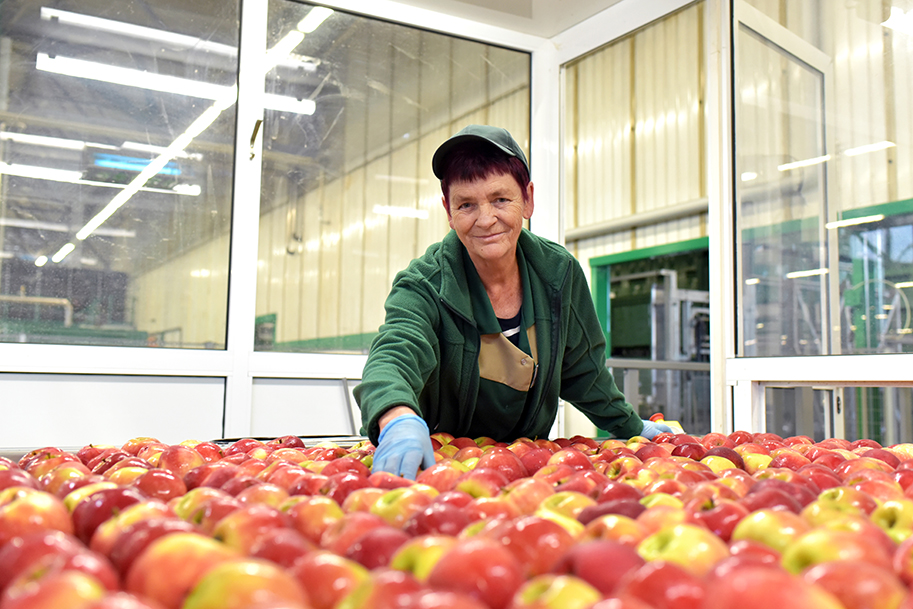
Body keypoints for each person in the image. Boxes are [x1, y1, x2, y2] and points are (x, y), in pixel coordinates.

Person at [353, 125, 672, 479]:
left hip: (529, 471)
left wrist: (631, 426)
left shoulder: (558, 274)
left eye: (501, 199)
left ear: (528, 199)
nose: (486, 219)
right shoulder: (425, 284)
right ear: (448, 210)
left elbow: (583, 371)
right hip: (438, 471)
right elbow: (396, 352)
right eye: (466, 205)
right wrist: (397, 418)